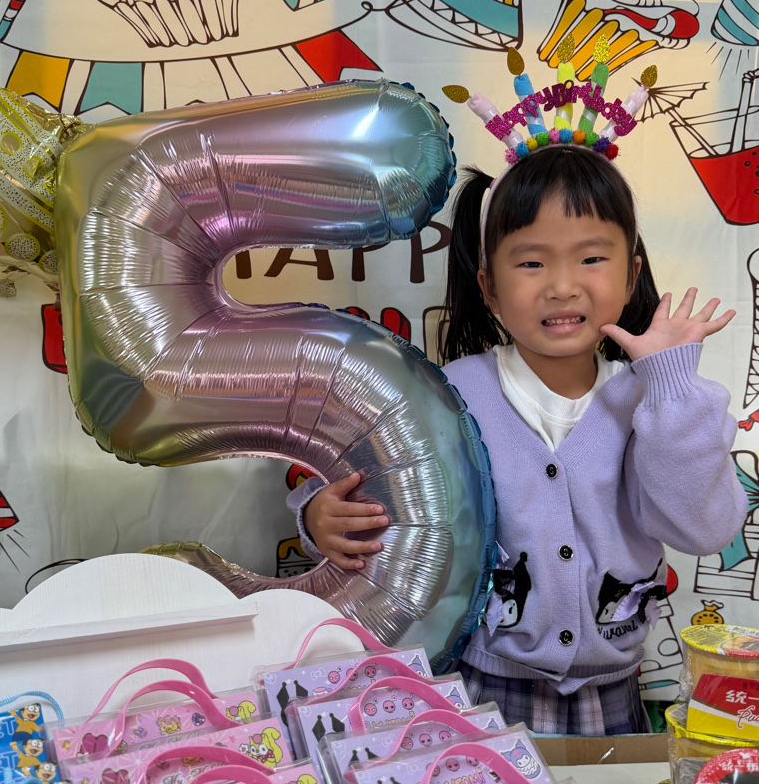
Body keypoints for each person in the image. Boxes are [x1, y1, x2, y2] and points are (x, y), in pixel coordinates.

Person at [288, 144, 748, 734]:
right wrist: (319, 516)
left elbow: (703, 529)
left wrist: (671, 387)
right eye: (531, 263)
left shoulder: (652, 400)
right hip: (480, 685)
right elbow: (368, 485)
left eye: (591, 258)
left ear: (632, 274)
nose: (562, 286)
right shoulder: (448, 395)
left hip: (612, 689)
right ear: (489, 287)